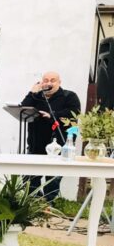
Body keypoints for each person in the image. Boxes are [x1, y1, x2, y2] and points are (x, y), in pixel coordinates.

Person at [21, 71, 80, 201]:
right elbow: (23, 108)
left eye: (52, 80)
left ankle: (49, 205)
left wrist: (52, 114)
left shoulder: (69, 96)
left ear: (59, 82)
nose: (48, 83)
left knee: (52, 180)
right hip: (36, 145)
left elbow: (74, 112)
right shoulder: (37, 97)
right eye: (45, 80)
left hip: (57, 147)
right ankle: (33, 204)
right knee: (30, 180)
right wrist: (32, 92)